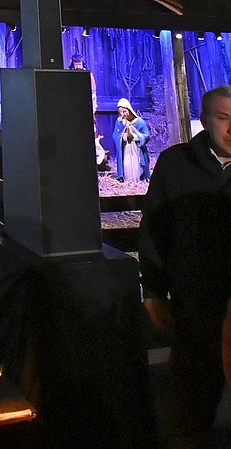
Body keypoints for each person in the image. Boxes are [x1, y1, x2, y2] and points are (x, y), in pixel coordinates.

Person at [138, 85, 231, 449]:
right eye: (223, 119)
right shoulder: (177, 164)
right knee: (191, 399)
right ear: (206, 121)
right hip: (194, 298)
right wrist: (154, 291)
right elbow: (154, 231)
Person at [112, 97, 151, 182]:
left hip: (137, 149)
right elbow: (115, 136)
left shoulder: (139, 122)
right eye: (120, 112)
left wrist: (135, 137)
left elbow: (147, 136)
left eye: (124, 111)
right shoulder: (119, 122)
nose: (123, 114)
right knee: (126, 165)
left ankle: (138, 180)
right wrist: (124, 136)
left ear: (129, 110)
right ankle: (127, 180)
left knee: (137, 166)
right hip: (126, 149)